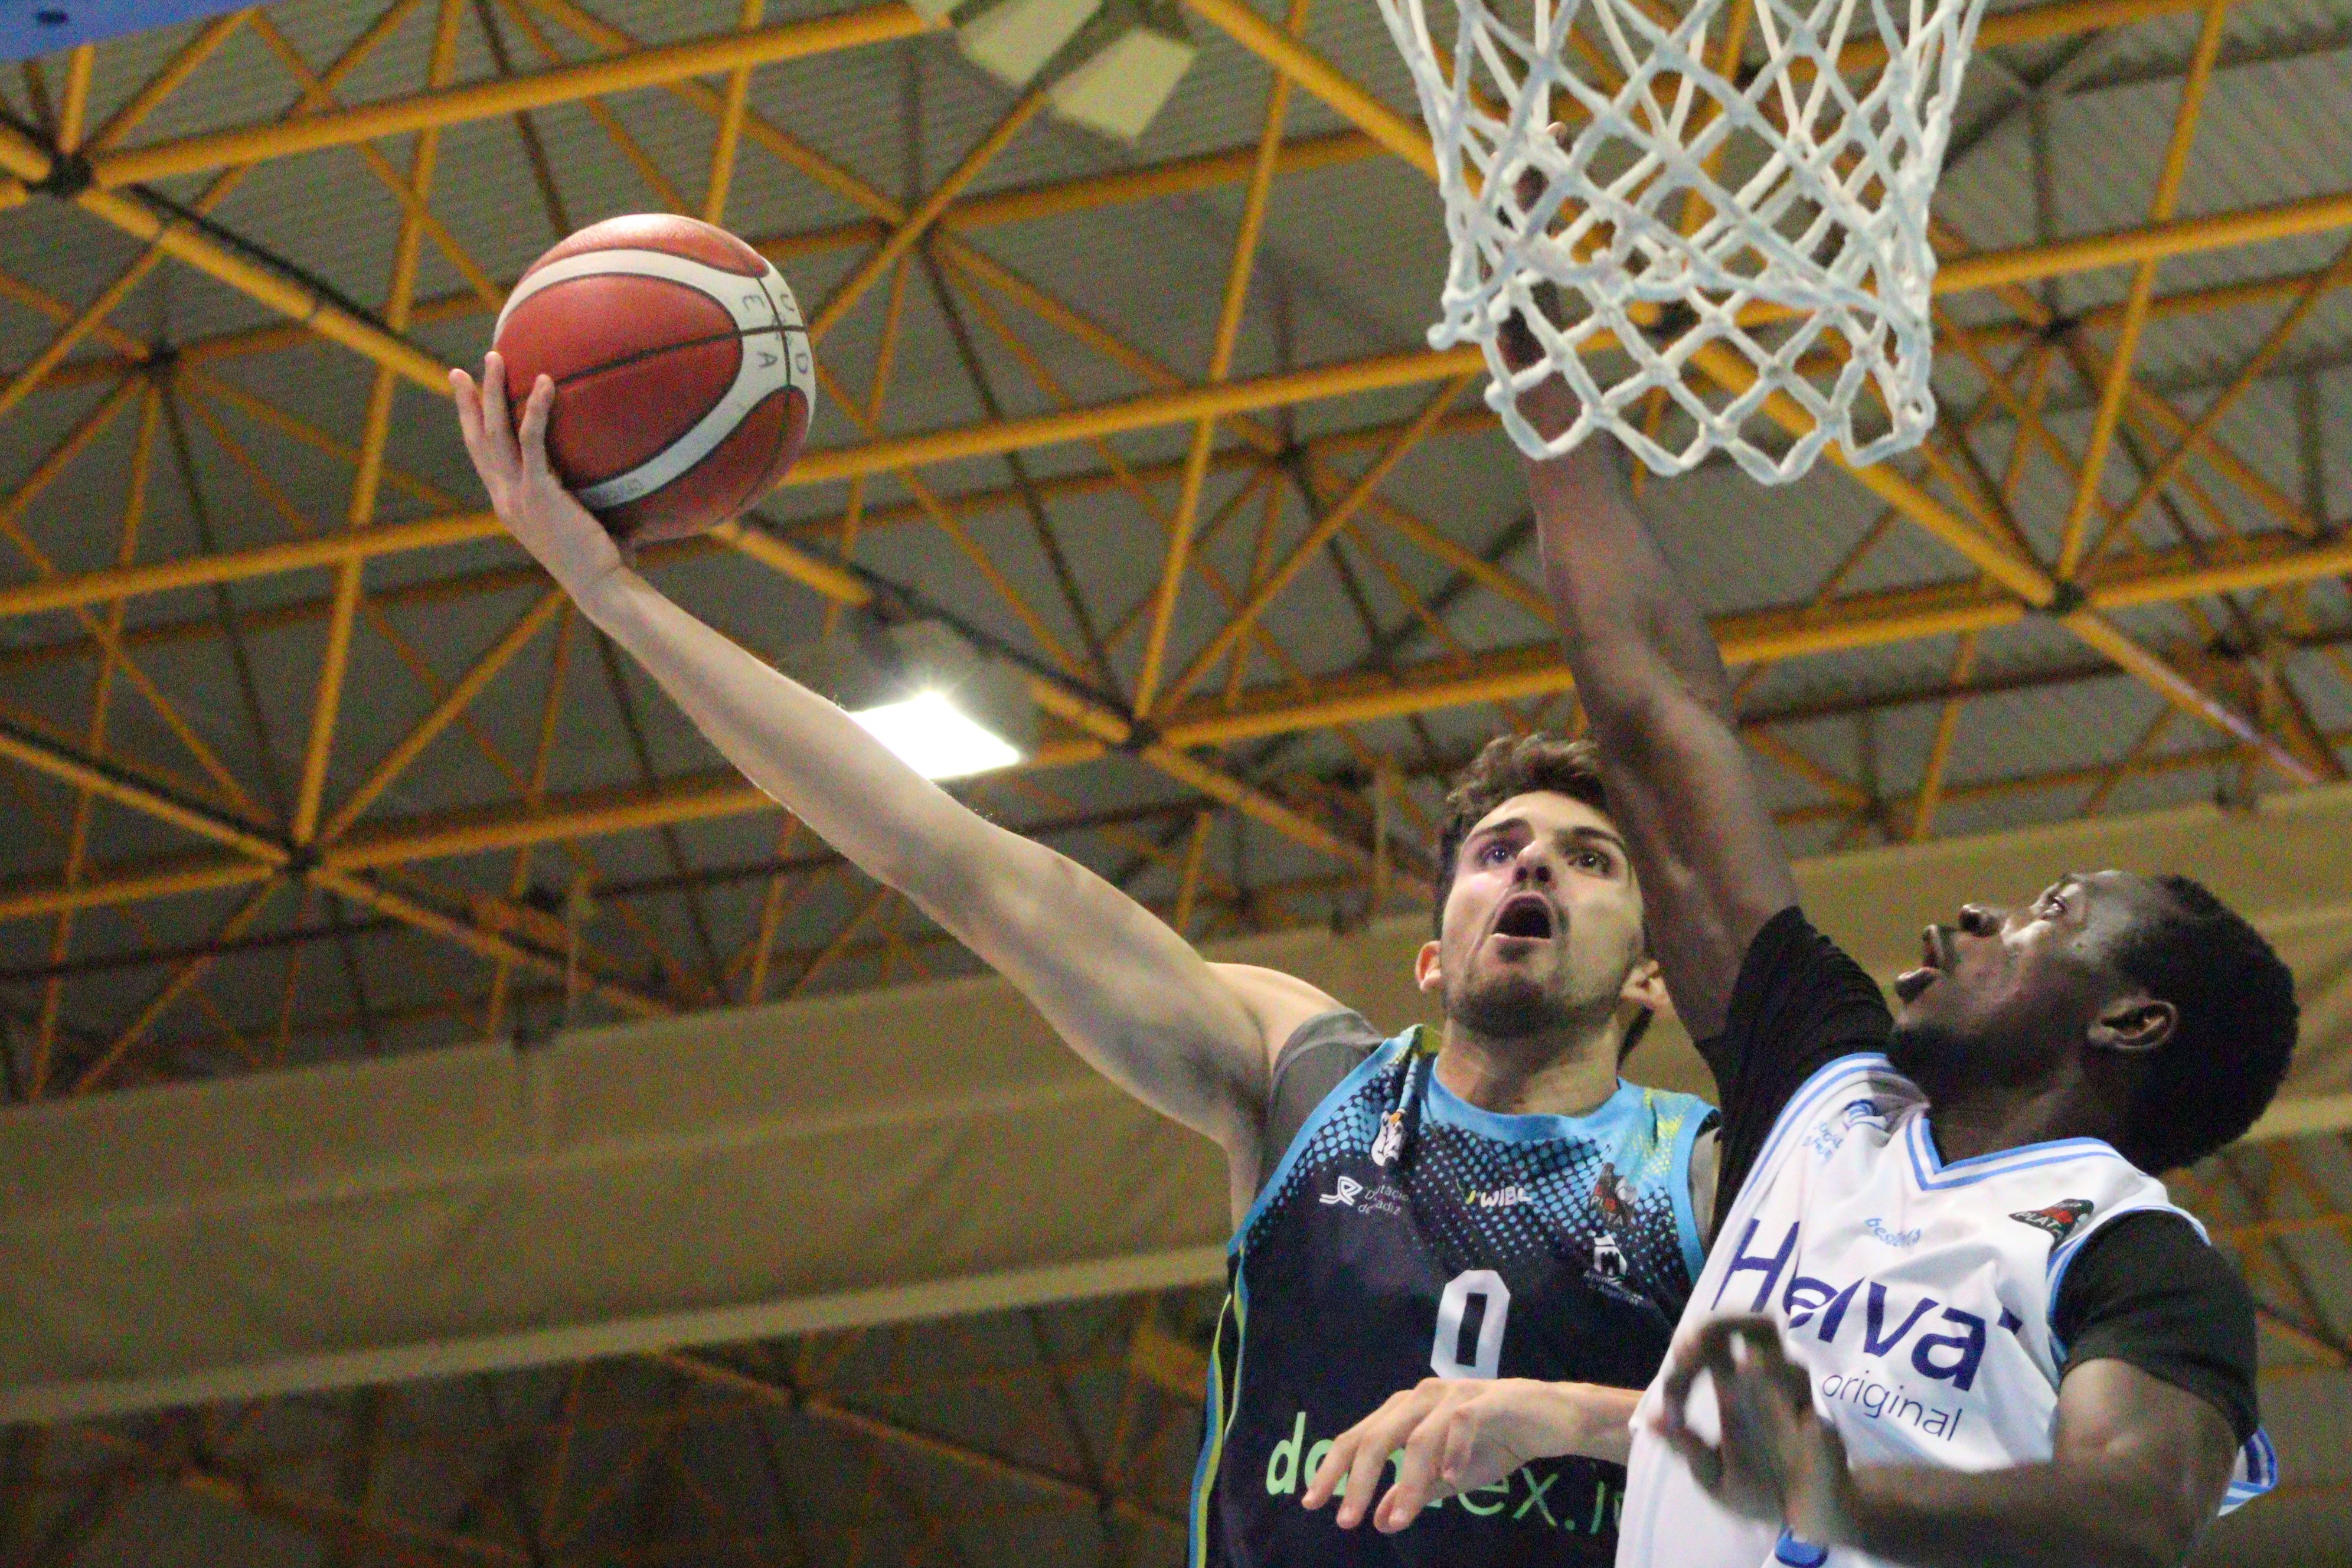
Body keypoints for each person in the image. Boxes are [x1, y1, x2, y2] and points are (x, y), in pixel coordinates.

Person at [450, 354, 1723, 1568]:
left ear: (1653, 974)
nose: (1533, 870)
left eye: (1590, 859)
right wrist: (615, 598)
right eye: (1496, 850)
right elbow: (948, 857)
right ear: (1433, 956)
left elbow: (1863, 1456)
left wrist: (1567, 1416)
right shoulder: (1310, 1089)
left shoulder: (1713, 1176)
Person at [1478, 368, 2286, 1567]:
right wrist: (1544, 398)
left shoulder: (2133, 1251)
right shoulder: (1824, 1091)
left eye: (2049, 912)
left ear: (2132, 1018)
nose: (1974, 914)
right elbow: (1657, 713)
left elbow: (2135, 1508)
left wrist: (1836, 1491)